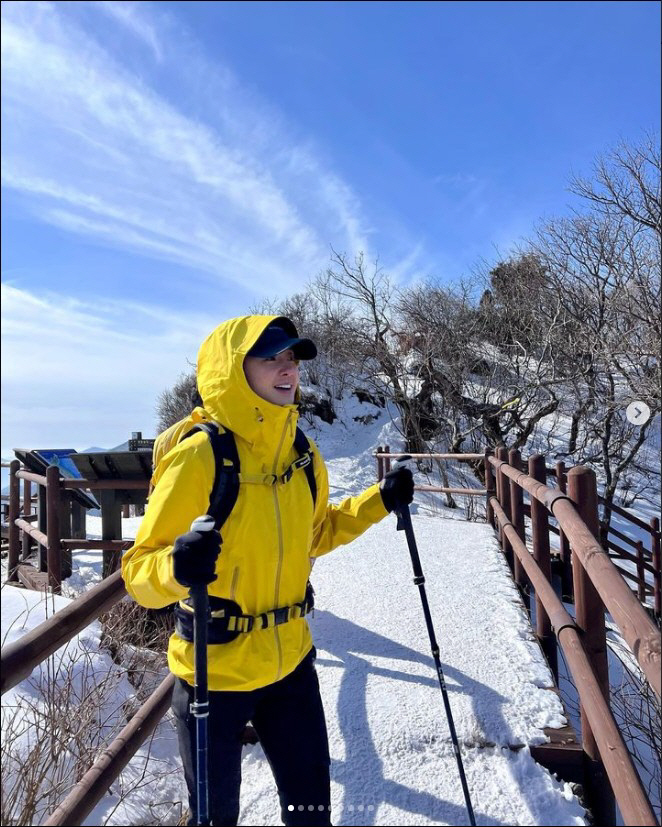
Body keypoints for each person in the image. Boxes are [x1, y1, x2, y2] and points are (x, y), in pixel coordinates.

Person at [121, 315, 414, 826]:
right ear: (234, 369)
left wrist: (378, 502)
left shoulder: (301, 453)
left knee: (310, 812)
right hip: (213, 673)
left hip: (291, 666)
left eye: (292, 357)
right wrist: (177, 565)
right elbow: (139, 574)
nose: (287, 368)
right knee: (216, 820)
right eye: (270, 356)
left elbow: (316, 534)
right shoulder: (200, 457)